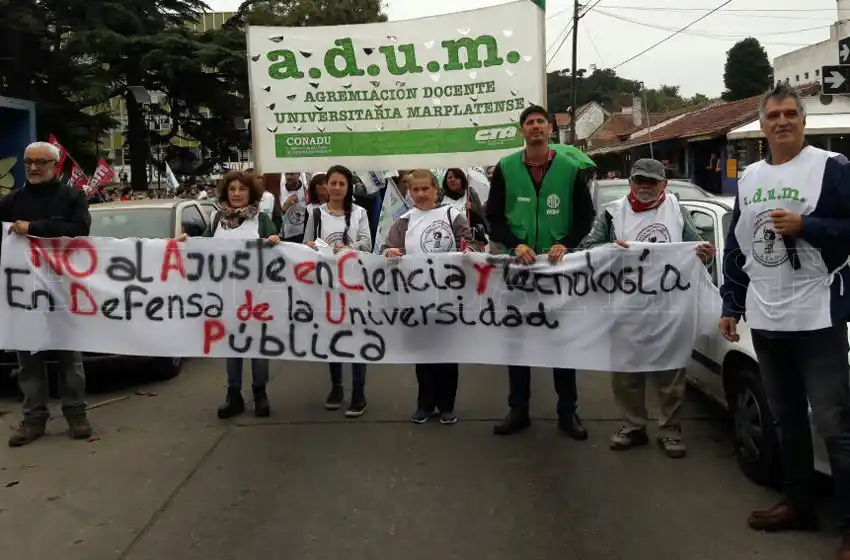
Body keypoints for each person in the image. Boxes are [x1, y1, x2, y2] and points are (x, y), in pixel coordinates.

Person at [719, 84, 850, 560]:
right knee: (787, 418)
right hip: (767, 317)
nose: (782, 122)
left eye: (791, 114)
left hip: (817, 316)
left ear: (803, 121)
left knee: (835, 425)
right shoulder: (749, 178)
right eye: (773, 115)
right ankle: (799, 505)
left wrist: (807, 226)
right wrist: (731, 305)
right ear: (762, 124)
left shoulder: (832, 169)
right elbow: (738, 246)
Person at [578, 158, 716, 458]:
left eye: (651, 182)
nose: (644, 186)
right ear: (630, 182)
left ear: (663, 185)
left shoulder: (677, 211)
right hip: (624, 308)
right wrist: (609, 250)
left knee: (670, 372)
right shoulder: (612, 213)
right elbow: (586, 251)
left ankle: (670, 430)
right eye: (639, 180)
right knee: (626, 372)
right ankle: (633, 425)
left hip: (669, 307)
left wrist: (705, 253)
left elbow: (696, 247)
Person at [485, 104, 595, 439]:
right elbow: (494, 217)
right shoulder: (504, 168)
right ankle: (518, 409)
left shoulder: (569, 169)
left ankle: (568, 412)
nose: (535, 127)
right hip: (518, 267)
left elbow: (585, 216)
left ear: (550, 130)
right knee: (517, 341)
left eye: (540, 123)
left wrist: (567, 241)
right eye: (529, 123)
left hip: (557, 270)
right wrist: (514, 243)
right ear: (522, 132)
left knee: (562, 340)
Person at [1, 142, 93, 447]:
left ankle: (76, 415)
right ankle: (33, 419)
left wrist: (34, 228)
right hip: (24, 295)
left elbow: (79, 229)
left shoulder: (72, 197)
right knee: (28, 359)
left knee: (70, 357)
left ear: (55, 165)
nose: (34, 167)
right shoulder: (12, 201)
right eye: (29, 162)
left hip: (63, 290)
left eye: (41, 161)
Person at [380, 169, 477, 425]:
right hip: (416, 301)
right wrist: (390, 253)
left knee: (446, 354)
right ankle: (425, 403)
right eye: (415, 190)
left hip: (448, 299)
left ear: (436, 189)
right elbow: (387, 250)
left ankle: (446, 405)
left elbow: (471, 245)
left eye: (425, 188)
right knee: (422, 356)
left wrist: (467, 250)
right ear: (409, 193)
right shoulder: (403, 222)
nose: (420, 194)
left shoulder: (452, 215)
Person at [190, 170, 280, 419]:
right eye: (232, 189)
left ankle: (260, 392)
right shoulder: (217, 219)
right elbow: (202, 248)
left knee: (258, 347)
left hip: (257, 297)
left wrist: (274, 241)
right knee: (232, 346)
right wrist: (186, 243)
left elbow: (277, 252)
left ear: (250, 192)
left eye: (242, 189)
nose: (237, 194)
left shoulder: (261, 220)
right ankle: (234, 394)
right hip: (226, 296)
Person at [303, 165, 372, 417]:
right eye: (332, 183)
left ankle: (359, 392)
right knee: (333, 337)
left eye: (341, 183)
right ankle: (336, 388)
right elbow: (306, 246)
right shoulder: (316, 214)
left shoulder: (359, 214)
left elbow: (368, 243)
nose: (336, 188)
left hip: (354, 284)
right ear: (325, 185)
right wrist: (311, 246)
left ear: (348, 187)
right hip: (326, 286)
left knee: (356, 337)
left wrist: (349, 246)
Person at [440, 168, 488, 250]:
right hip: (446, 240)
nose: (452, 180)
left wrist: (473, 209)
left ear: (462, 180)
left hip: (469, 242)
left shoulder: (470, 194)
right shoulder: (440, 196)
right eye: (450, 177)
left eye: (456, 177)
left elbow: (482, 219)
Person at [280, 171, 308, 242]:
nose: (289, 177)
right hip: (287, 236)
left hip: (304, 234)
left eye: (292, 174)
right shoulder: (280, 191)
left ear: (298, 174)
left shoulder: (306, 189)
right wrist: (286, 205)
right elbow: (277, 217)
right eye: (287, 174)